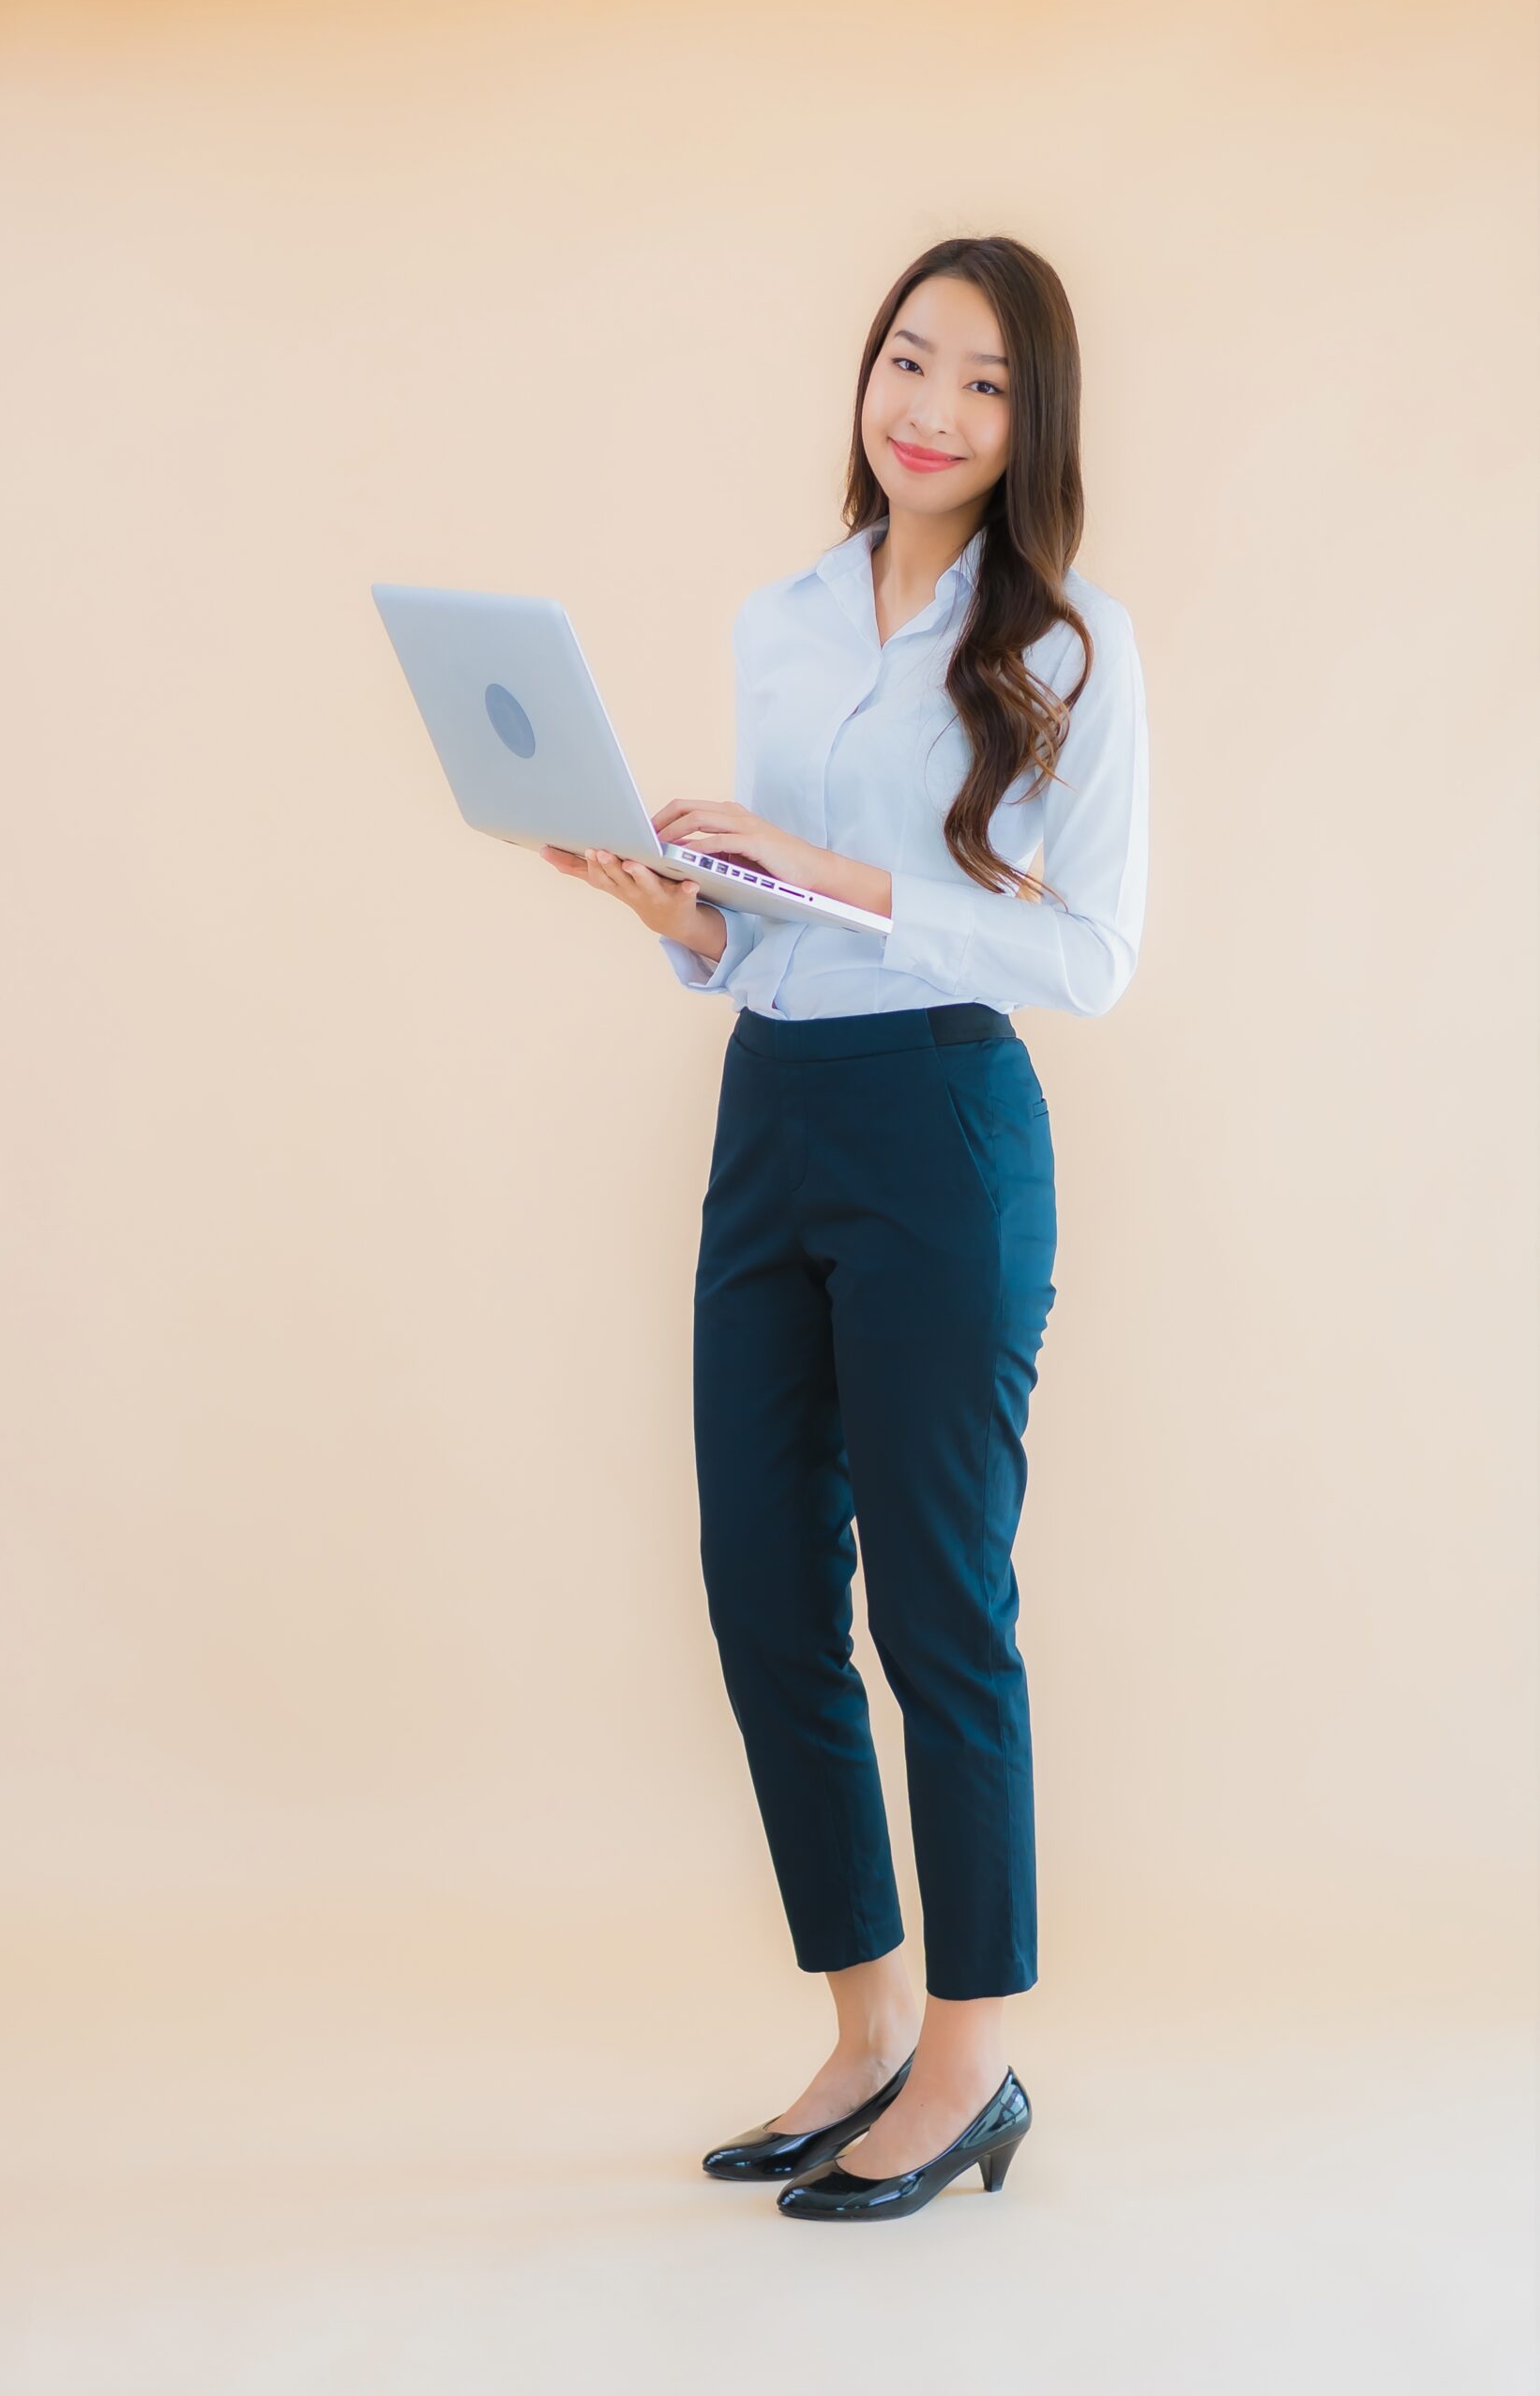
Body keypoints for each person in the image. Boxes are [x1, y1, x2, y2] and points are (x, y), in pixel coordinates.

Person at [540, 235, 1149, 2224]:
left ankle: (970, 2061)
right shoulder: (780, 617)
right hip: (774, 1110)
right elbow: (766, 936)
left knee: (937, 1607)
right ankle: (866, 2020)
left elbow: (1089, 952)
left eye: (980, 383)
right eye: (908, 359)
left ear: (1023, 422)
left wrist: (841, 872)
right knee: (759, 1591)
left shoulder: (1065, 648)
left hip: (943, 1122)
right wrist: (685, 910)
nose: (931, 407)